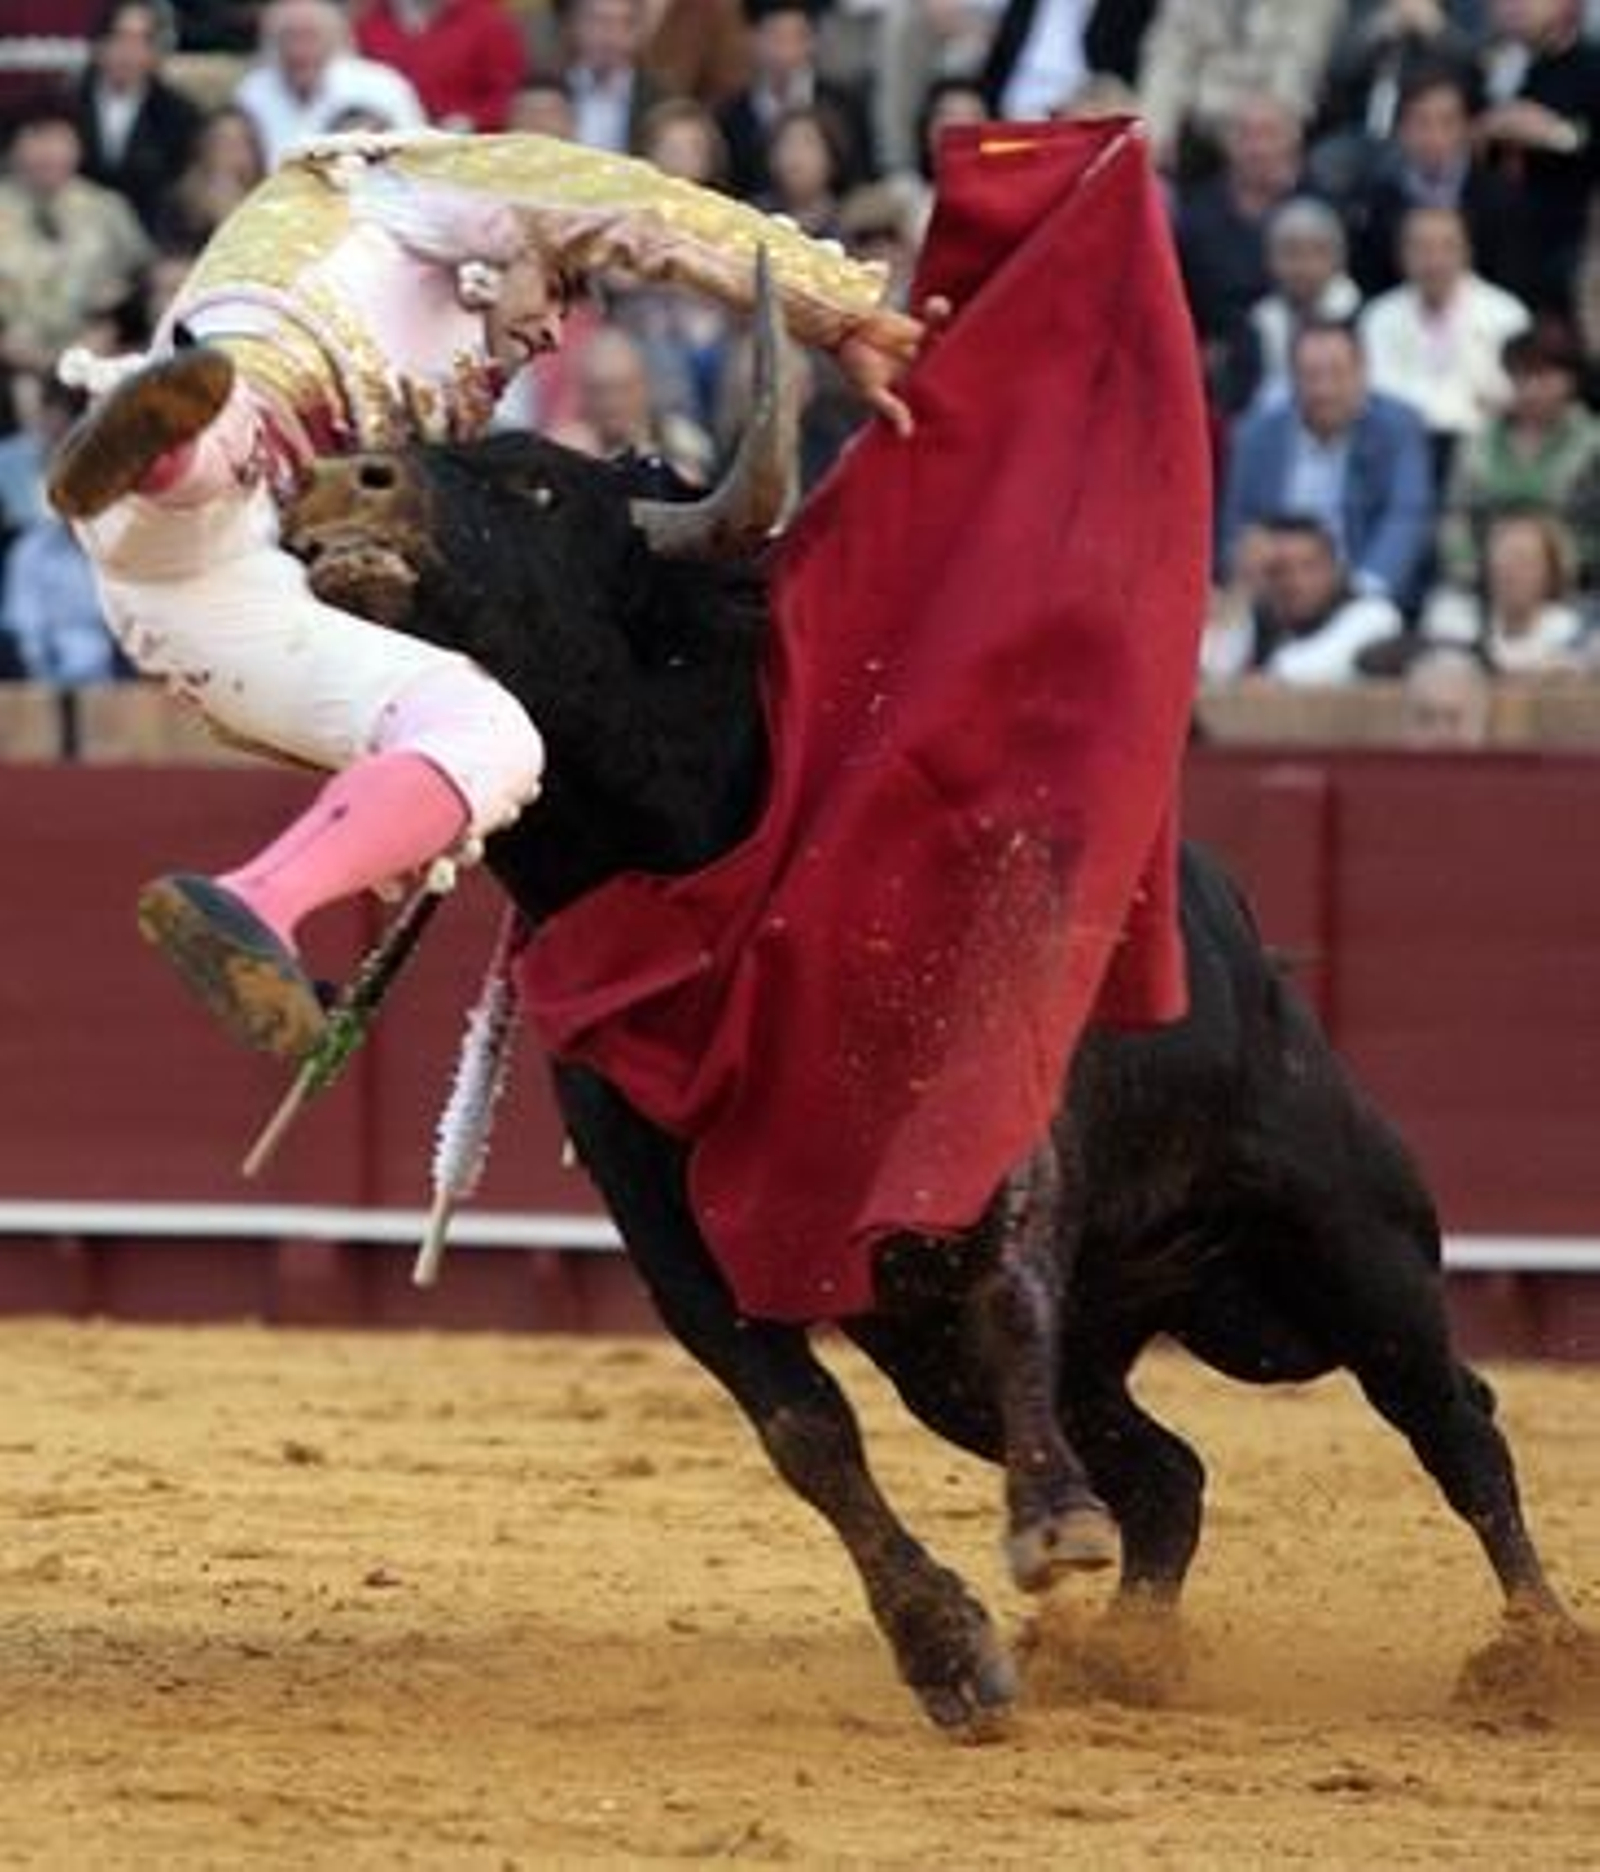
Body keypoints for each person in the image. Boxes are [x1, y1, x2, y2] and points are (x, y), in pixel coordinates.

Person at [46, 130, 925, 1061]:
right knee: (238, 414)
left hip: (216, 611)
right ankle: (162, 444)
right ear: (512, 252)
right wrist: (843, 312)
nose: (554, 332)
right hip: (204, 488)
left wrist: (426, 803)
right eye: (560, 289)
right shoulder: (402, 186)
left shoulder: (455, 421)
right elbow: (639, 209)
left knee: (492, 743)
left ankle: (259, 904)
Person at [1219, 320, 1437, 608]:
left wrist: (1362, 596)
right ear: (1292, 380)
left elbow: (1406, 518)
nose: (1324, 391)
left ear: (1363, 373)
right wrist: (1245, 553)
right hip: (1276, 593)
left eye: (1337, 374)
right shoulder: (1255, 435)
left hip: (1362, 589)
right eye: (1311, 376)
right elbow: (1235, 528)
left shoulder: (1398, 428)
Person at [1358, 204, 1530, 477]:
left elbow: (1512, 394)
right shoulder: (1379, 316)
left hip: (1482, 449)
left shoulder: (1506, 313)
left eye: (1447, 247)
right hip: (1402, 450)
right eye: (1422, 248)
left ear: (1467, 252)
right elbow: (1377, 395)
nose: (1434, 260)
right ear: (1402, 255)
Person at [1437, 320, 1600, 586]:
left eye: (1543, 376)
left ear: (1570, 379)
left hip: (1576, 584)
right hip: (1485, 581)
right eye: (1522, 376)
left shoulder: (1593, 443)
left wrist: (1556, 567)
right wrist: (1474, 569)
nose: (1532, 389)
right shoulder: (1479, 443)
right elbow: (1456, 517)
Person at [0, 100, 153, 375]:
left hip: (95, 355)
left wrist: (111, 328)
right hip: (11, 359)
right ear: (12, 148)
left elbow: (142, 279)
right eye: (38, 139)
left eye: (61, 140)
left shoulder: (107, 207)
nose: (50, 153)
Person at [1205, 512, 1404, 683]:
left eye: (1309, 566)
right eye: (1279, 570)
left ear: (1336, 568)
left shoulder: (1375, 612)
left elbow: (1315, 668)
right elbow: (1212, 668)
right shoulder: (1263, 613)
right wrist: (1244, 586)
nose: (1295, 582)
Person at [235, 0, 427, 168]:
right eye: (288, 37)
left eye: (310, 36)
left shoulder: (383, 85)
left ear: (335, 40)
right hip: (271, 202)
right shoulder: (253, 89)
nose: (298, 49)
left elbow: (418, 158)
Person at [72, 0, 204, 236]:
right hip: (80, 234)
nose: (128, 52)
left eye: (141, 41)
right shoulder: (66, 105)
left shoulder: (180, 115)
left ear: (156, 52)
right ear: (99, 45)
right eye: (119, 38)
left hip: (153, 235)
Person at [1421, 507, 1589, 669]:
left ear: (1551, 573)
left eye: (1523, 562)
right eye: (1502, 560)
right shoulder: (1458, 621)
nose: (1510, 574)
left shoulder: (1572, 633)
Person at [1247, 196, 1363, 411]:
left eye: (1317, 252)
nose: (1303, 266)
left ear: (1338, 257)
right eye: (1290, 253)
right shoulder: (1256, 323)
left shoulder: (1362, 318)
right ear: (1271, 259)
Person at [354, 0, 527, 133]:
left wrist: (472, 120)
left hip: (465, 150)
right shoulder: (368, 22)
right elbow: (355, 86)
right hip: (386, 149)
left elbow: (510, 94)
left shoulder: (488, 21)